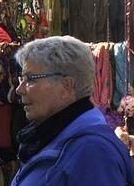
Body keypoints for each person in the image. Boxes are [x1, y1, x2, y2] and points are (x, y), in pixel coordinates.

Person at [11, 36, 134, 185]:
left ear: (66, 86)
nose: (19, 89)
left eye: (30, 79)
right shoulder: (50, 139)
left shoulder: (92, 152)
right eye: (21, 79)